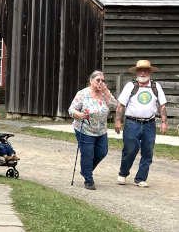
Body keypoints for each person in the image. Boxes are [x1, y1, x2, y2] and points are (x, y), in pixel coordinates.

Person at [114, 59, 168, 187]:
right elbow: (120, 105)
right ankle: (123, 173)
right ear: (136, 72)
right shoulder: (130, 86)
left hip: (150, 123)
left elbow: (162, 106)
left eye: (146, 70)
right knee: (130, 149)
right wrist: (117, 121)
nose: (143, 73)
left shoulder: (156, 86)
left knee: (148, 151)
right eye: (140, 70)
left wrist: (164, 122)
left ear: (150, 72)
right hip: (132, 123)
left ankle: (140, 178)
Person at [68, 70, 118, 190]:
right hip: (84, 128)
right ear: (91, 81)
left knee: (102, 152)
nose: (101, 83)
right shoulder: (82, 94)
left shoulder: (105, 94)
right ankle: (88, 180)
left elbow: (115, 105)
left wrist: (106, 92)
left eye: (103, 80)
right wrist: (79, 115)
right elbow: (71, 110)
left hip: (101, 130)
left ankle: (86, 170)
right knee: (88, 154)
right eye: (98, 80)